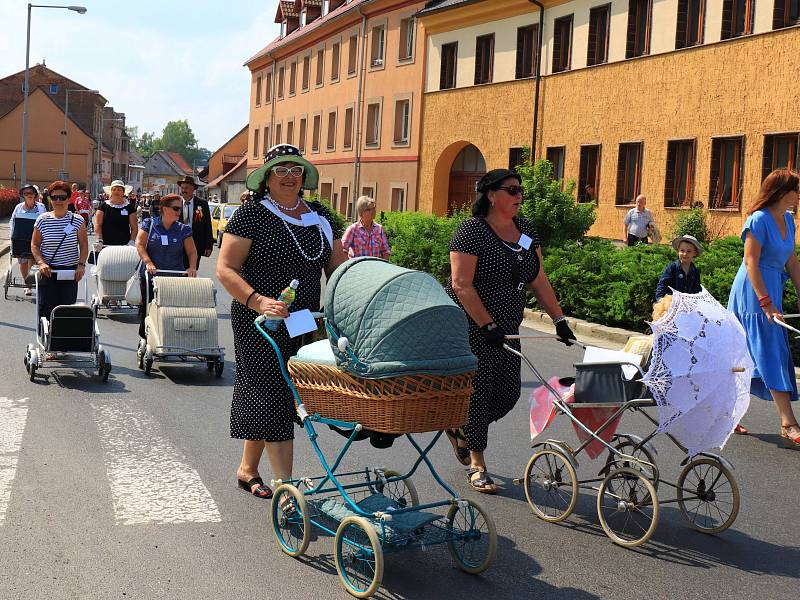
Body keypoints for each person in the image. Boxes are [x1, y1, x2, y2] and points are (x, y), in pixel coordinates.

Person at [216, 144, 346, 499]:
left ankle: (246, 469)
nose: (290, 176)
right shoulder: (251, 214)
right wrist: (258, 301)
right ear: (267, 178)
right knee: (271, 392)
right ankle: (287, 488)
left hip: (305, 319)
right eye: (281, 169)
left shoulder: (320, 216)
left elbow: (337, 270)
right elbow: (225, 269)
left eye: (296, 169)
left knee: (282, 391)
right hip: (259, 320)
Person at [446, 168, 576, 494]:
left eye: (521, 191)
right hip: (474, 325)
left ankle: (462, 429)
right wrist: (486, 323)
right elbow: (461, 285)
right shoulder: (472, 232)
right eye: (512, 190)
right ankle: (478, 464)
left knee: (507, 394)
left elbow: (538, 278)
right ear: (491, 194)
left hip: (508, 327)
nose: (519, 197)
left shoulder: (526, 231)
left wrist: (559, 320)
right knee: (480, 392)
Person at [728, 168, 800, 448]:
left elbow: (792, 263)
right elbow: (750, 263)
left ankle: (727, 412)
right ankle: (788, 422)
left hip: (772, 288)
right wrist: (766, 303)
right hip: (753, 292)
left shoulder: (789, 221)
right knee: (771, 350)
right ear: (781, 192)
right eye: (795, 189)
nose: (798, 195)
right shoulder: (758, 220)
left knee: (743, 357)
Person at [135, 194, 197, 340]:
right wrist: (148, 262)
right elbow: (140, 244)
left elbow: (192, 252)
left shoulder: (183, 229)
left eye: (180, 209)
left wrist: (192, 267)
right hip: (152, 277)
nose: (178, 212)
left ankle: (171, 339)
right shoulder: (150, 224)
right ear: (164, 208)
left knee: (174, 311)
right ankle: (147, 339)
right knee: (149, 309)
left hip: (175, 278)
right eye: (175, 208)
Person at [30, 180, 88, 333]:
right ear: (49, 199)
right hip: (48, 271)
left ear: (69, 199)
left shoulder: (77, 220)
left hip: (69, 272)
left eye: (62, 197)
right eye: (55, 197)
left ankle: (63, 343)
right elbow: (34, 245)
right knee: (46, 308)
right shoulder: (42, 220)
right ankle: (47, 343)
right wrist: (41, 263)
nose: (58, 201)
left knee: (66, 308)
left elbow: (83, 245)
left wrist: (81, 265)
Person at [11, 184, 47, 295]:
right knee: (23, 261)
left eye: (31, 193)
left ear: (35, 195)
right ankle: (27, 284)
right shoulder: (19, 207)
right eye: (26, 194)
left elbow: (45, 221)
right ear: (23, 196)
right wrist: (13, 236)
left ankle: (31, 282)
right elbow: (13, 222)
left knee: (32, 259)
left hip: (36, 238)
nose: (29, 195)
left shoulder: (41, 207)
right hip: (21, 237)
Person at [177, 175, 213, 270]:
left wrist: (209, 246)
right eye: (182, 188)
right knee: (179, 270)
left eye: (187, 188)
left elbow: (207, 225)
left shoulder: (202, 204)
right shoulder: (176, 203)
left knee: (192, 270)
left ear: (193, 189)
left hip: (196, 243)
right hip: (178, 243)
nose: (183, 190)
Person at [94, 180, 137, 257]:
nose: (116, 191)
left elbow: (134, 227)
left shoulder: (129, 207)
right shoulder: (103, 206)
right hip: (105, 244)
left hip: (124, 245)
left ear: (123, 192)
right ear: (111, 192)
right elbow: (98, 224)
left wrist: (132, 241)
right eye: (114, 189)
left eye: (119, 189)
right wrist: (99, 239)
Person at [655, 235, 703, 300]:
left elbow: (697, 289)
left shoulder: (695, 271)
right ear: (678, 251)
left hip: (687, 303)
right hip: (671, 302)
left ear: (694, 253)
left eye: (689, 251)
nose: (685, 254)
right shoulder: (672, 267)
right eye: (682, 250)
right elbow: (662, 284)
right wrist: (660, 300)